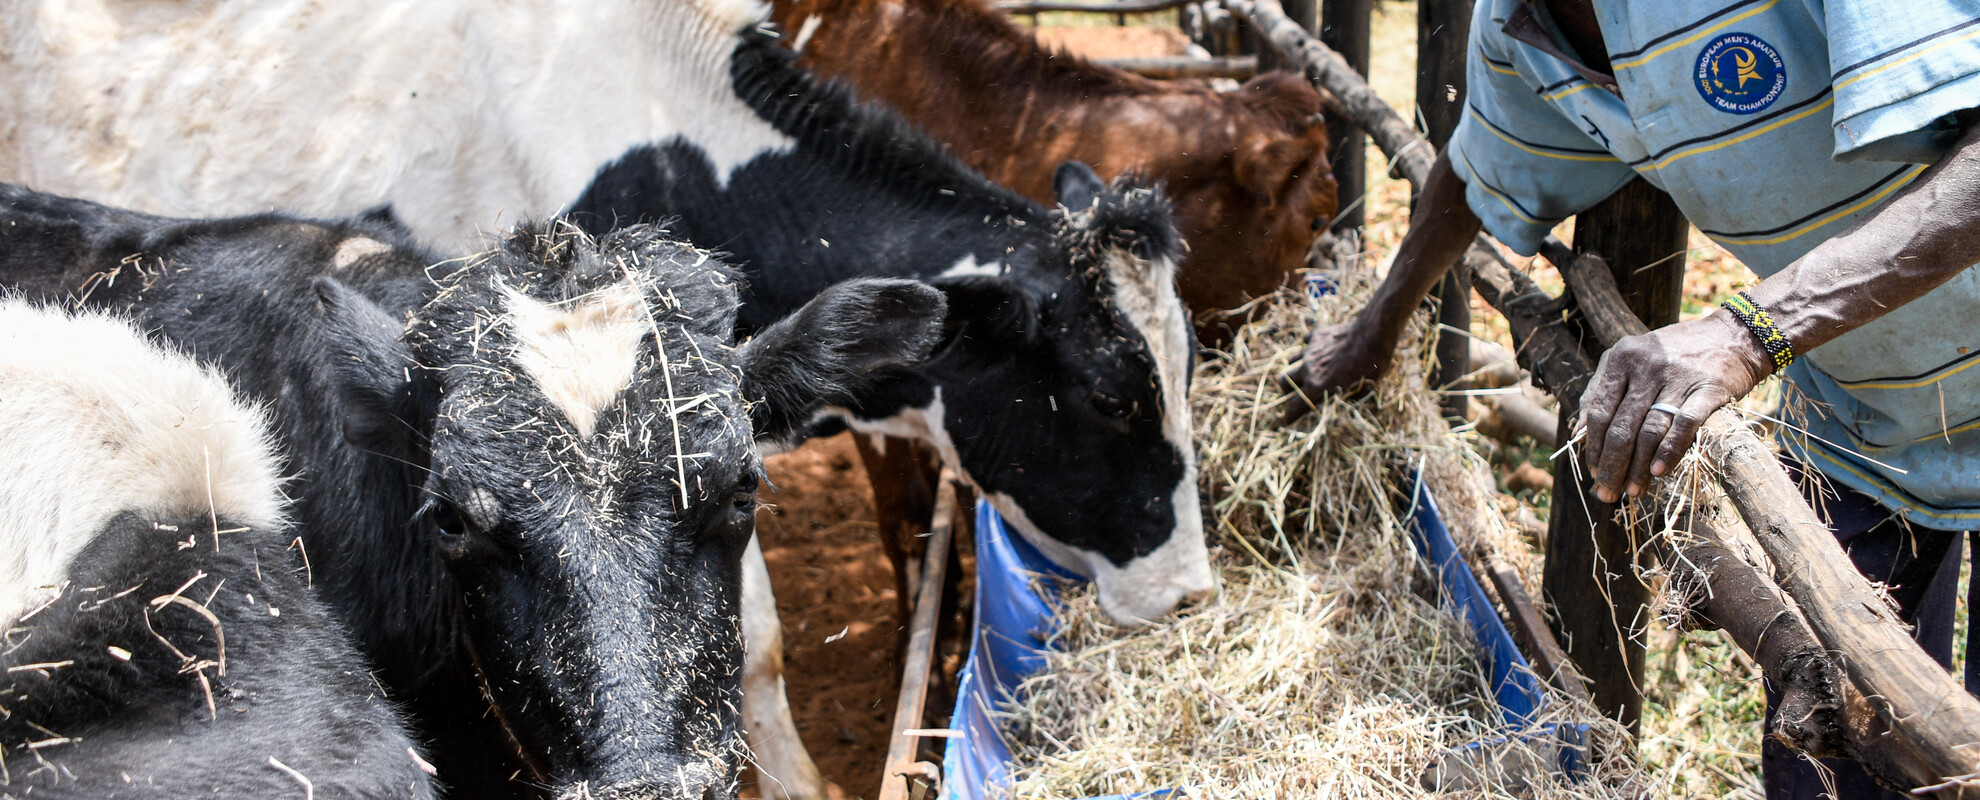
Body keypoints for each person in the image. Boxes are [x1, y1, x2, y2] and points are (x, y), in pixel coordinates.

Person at [1283, 0, 1980, 796]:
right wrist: (1376, 328)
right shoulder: (1523, 26)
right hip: (1869, 413)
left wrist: (1751, 332)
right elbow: (1481, 168)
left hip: (1848, 358)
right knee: (1832, 747)